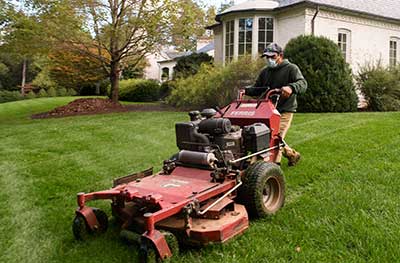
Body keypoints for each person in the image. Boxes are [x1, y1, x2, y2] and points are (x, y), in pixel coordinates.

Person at [254, 43, 307, 166]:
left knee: (276, 138)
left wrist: (291, 87)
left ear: (280, 56)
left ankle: (274, 166)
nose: (269, 60)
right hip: (268, 111)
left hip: (284, 109)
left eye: (272, 57)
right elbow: (258, 88)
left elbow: (303, 83)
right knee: (268, 136)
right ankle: (292, 155)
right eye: (267, 57)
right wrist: (246, 90)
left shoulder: (291, 68)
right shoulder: (265, 72)